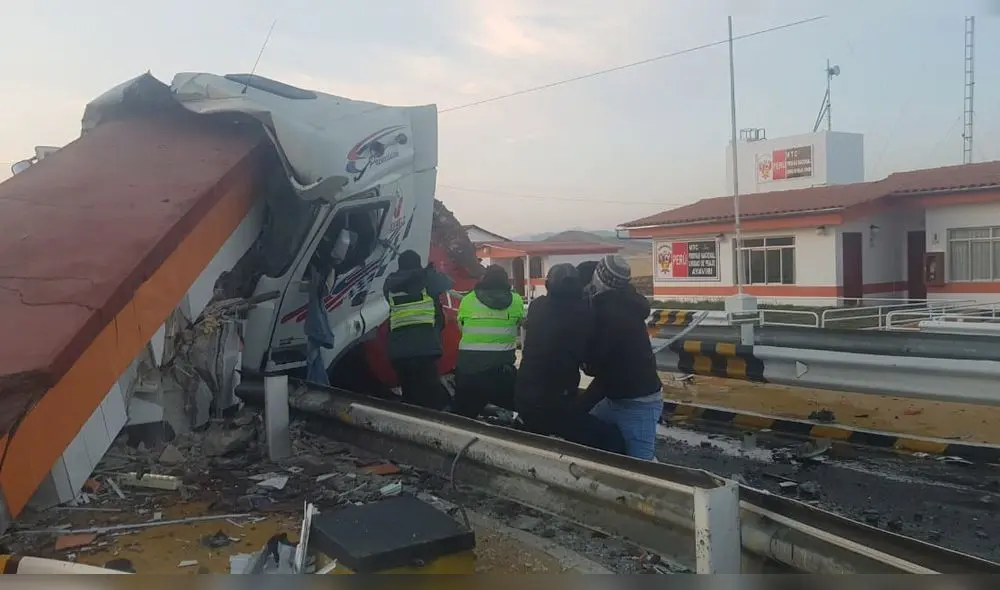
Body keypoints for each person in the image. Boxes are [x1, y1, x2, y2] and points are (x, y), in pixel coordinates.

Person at [514, 263, 625, 454]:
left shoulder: (537, 306)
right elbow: (591, 358)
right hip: (557, 403)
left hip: (524, 395)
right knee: (612, 440)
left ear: (549, 285)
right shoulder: (584, 312)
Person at [583, 254, 663, 460]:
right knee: (585, 432)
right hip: (616, 397)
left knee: (643, 469)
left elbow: (592, 365)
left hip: (638, 402)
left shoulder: (609, 315)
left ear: (600, 279)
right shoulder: (627, 303)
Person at [383, 249, 453, 410]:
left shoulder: (390, 283)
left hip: (398, 350)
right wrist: (430, 271)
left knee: (410, 396)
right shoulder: (427, 278)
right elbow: (448, 282)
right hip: (425, 347)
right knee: (432, 397)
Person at [452, 265, 525, 418]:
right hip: (501, 374)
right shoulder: (516, 301)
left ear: (484, 279)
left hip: (468, 372)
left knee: (461, 417)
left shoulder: (468, 299)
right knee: (521, 409)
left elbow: (462, 327)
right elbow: (518, 324)